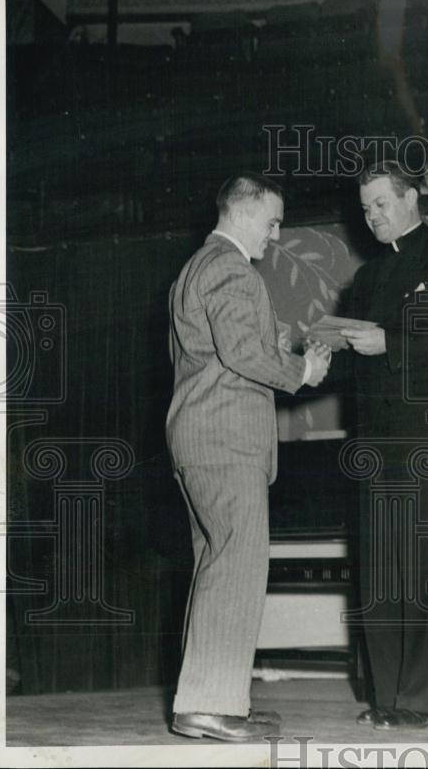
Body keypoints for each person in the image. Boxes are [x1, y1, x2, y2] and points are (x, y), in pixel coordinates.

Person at [166, 172, 331, 742]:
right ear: (241, 212)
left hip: (203, 436)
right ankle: (209, 705)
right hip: (225, 439)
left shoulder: (199, 267)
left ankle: (212, 698)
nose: (276, 233)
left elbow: (223, 352)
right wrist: (302, 370)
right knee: (235, 566)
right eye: (272, 220)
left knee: (218, 566)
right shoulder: (230, 268)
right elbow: (240, 353)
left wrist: (280, 351)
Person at [343, 161, 428, 731]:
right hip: (377, 443)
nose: (372, 216)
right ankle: (385, 698)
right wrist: (313, 355)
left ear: (411, 199)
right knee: (380, 570)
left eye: (381, 203)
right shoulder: (366, 279)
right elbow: (357, 359)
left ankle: (421, 701)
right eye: (366, 208)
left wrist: (388, 343)